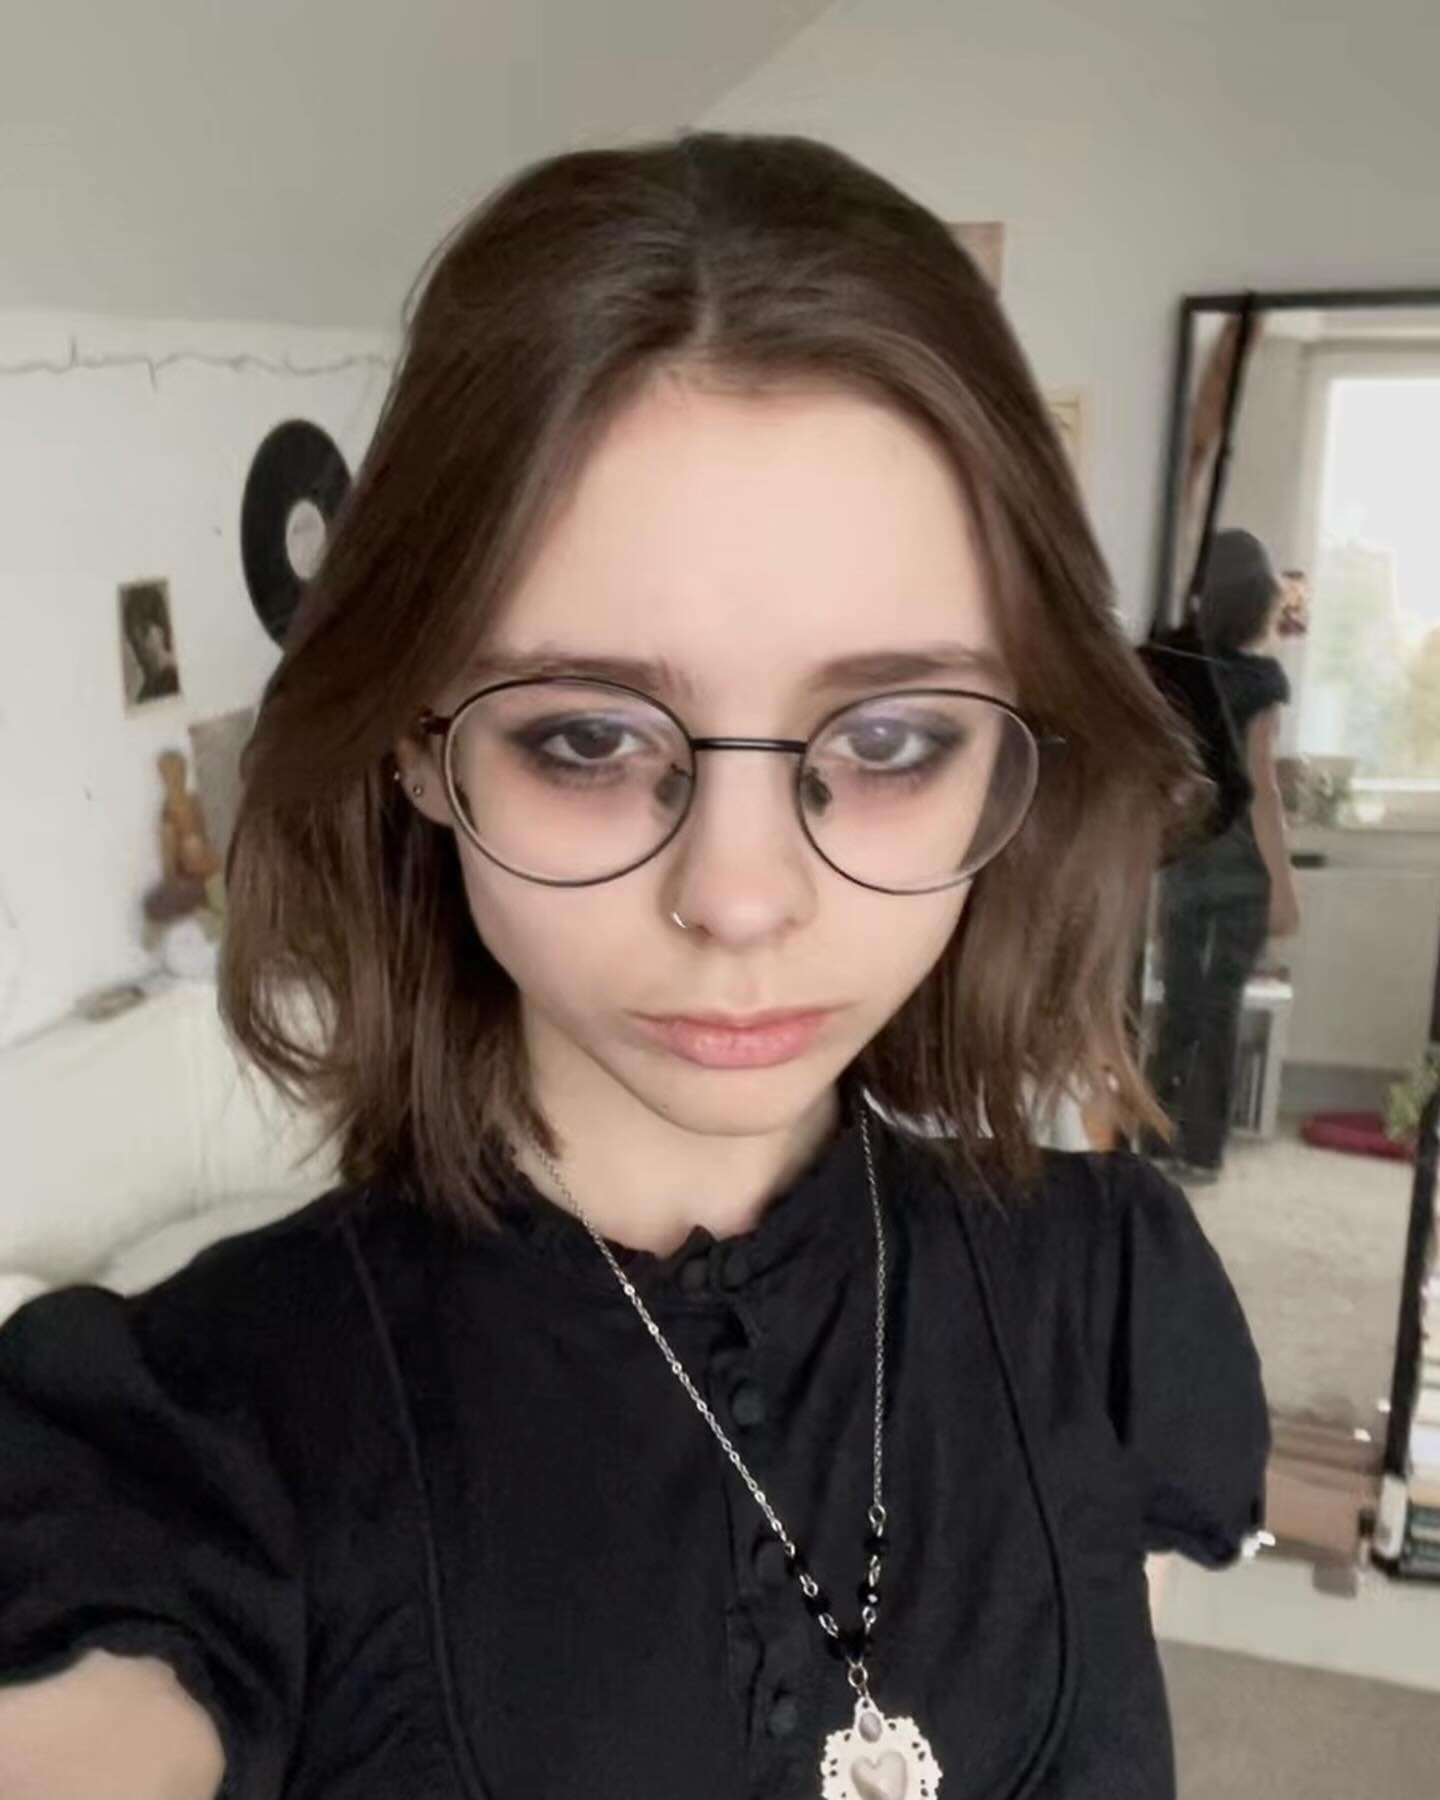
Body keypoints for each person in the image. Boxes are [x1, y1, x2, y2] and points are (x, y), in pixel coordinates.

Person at [0, 134, 1269, 1800]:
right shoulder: (210, 1439)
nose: (741, 900)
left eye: (891, 736)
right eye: (590, 737)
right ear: (418, 748)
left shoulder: (1113, 1308)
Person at [1147, 528, 1301, 1184]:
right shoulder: (1263, 681)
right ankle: (1202, 1150)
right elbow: (1263, 790)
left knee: (1178, 1004)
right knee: (1220, 1009)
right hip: (1240, 873)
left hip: (1186, 860)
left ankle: (1154, 1137)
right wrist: (1284, 885)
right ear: (1258, 599)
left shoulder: (1180, 669)